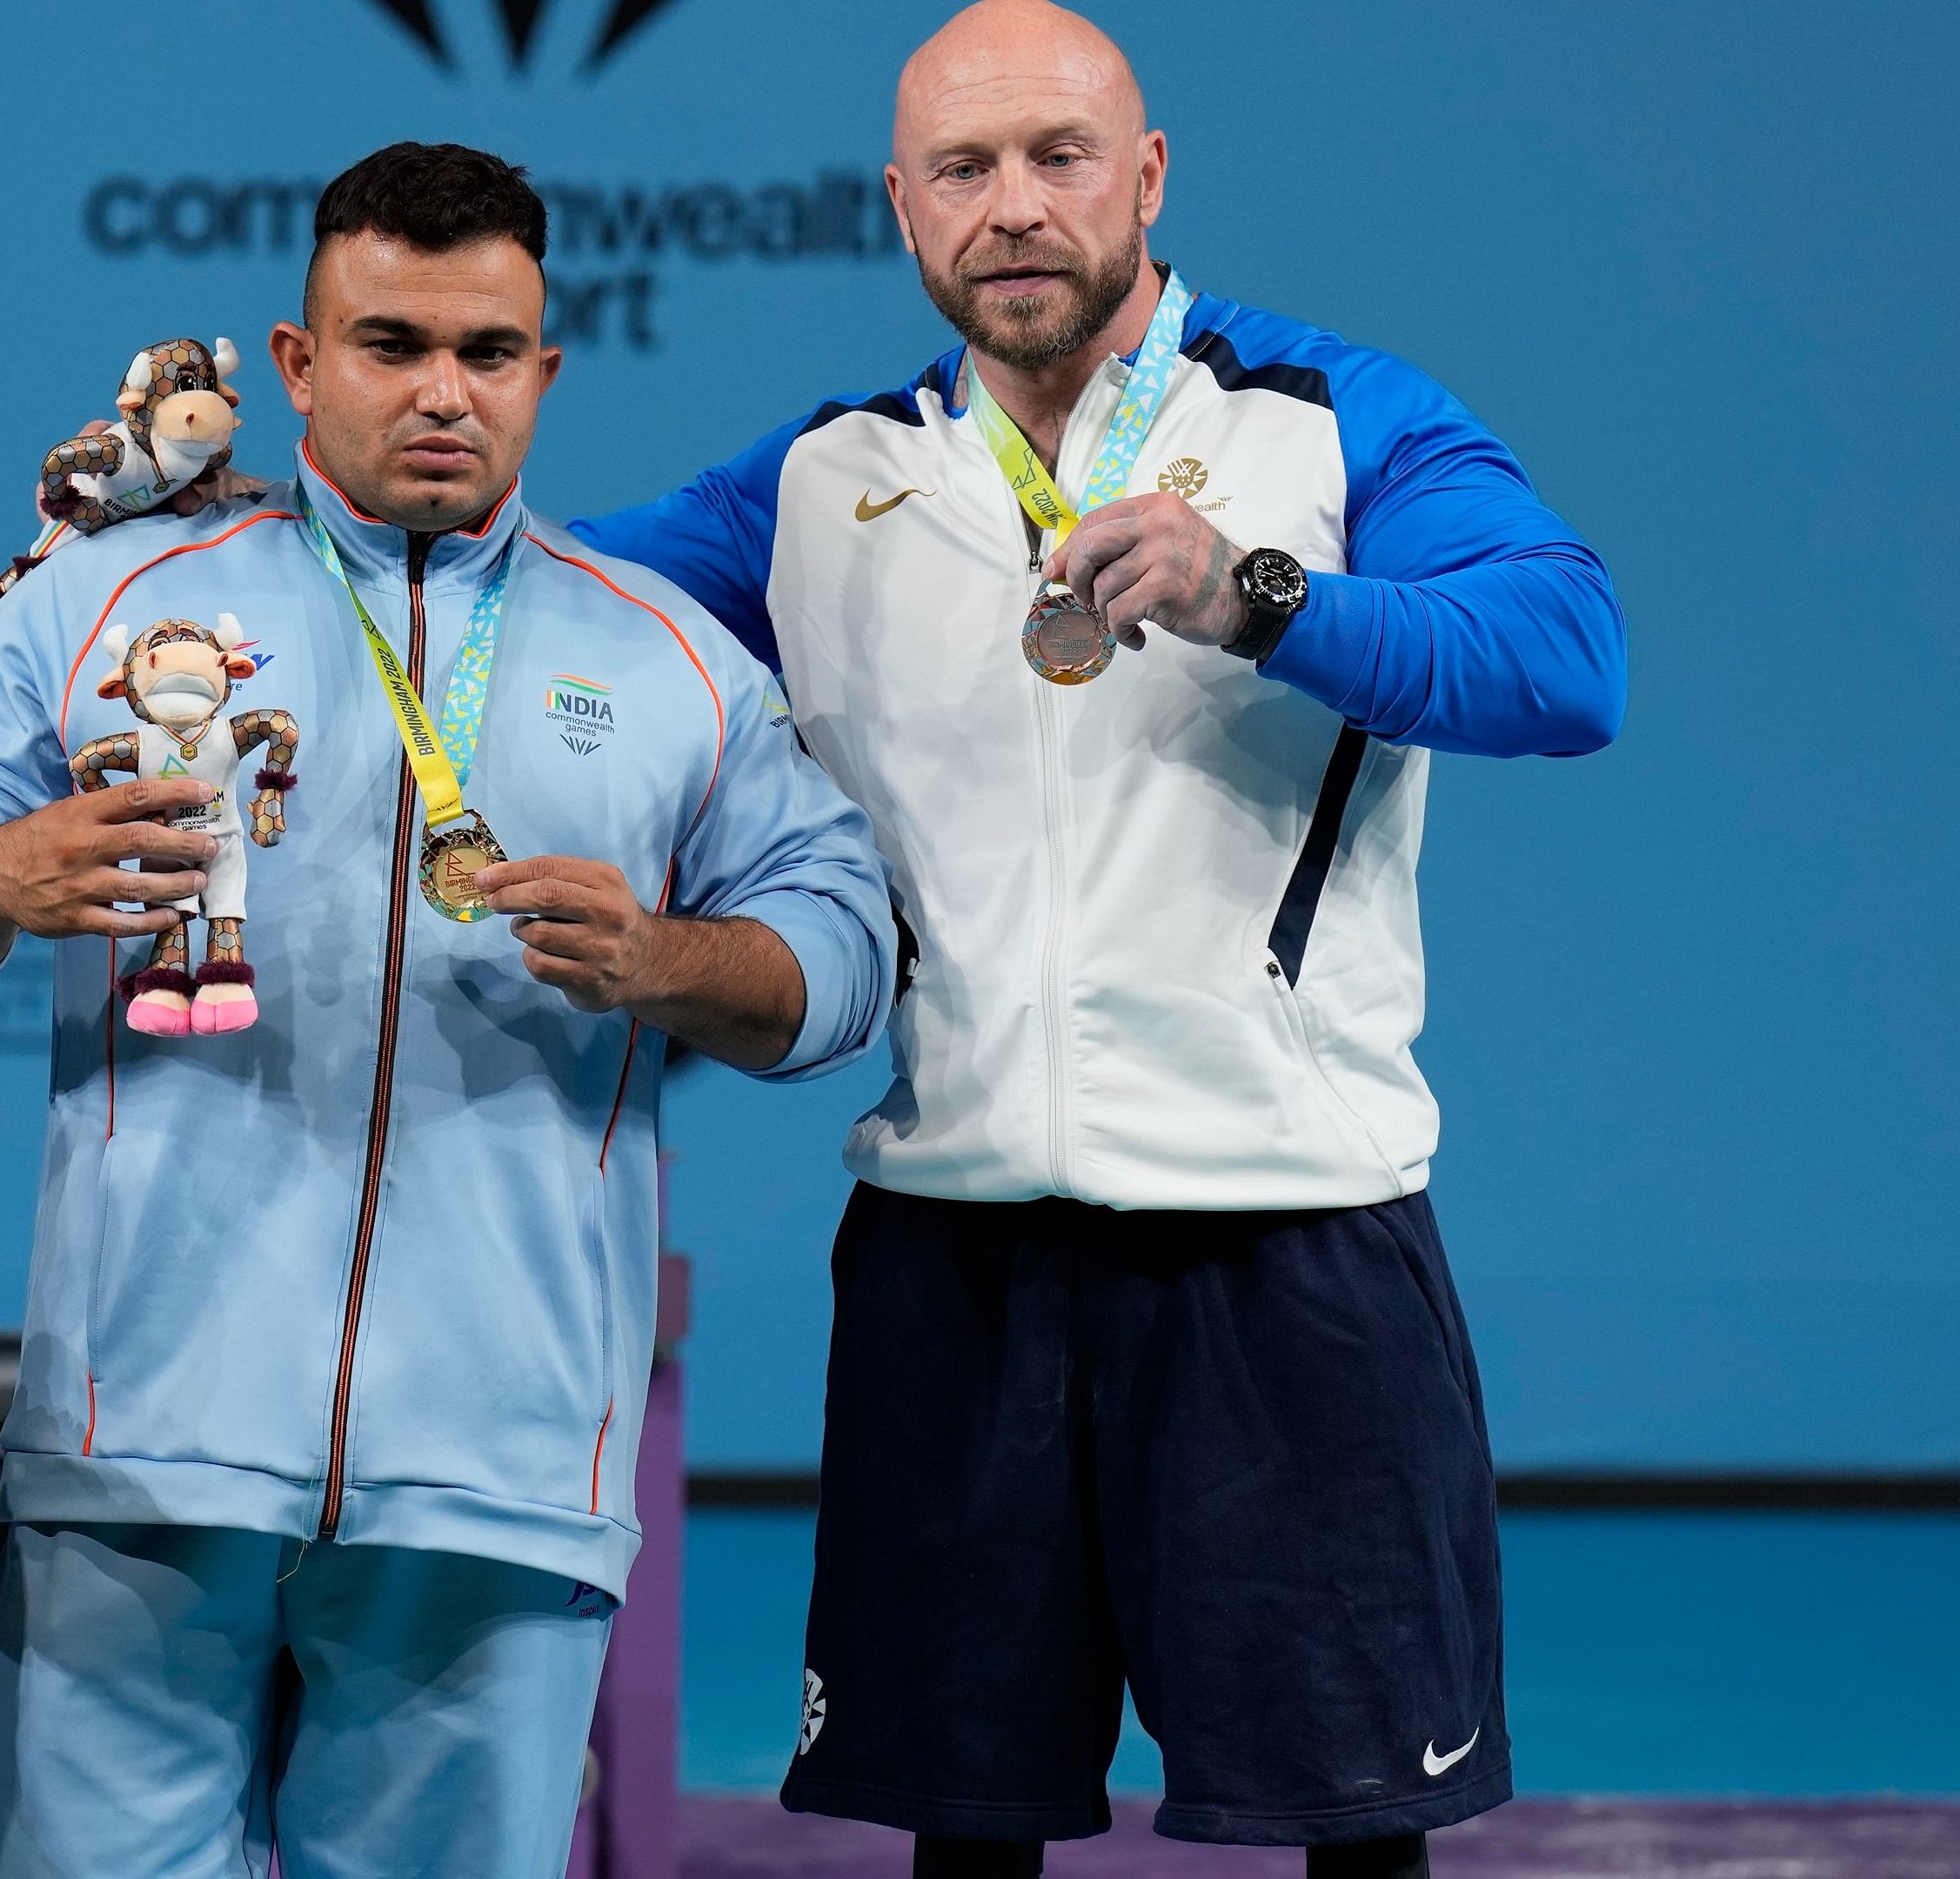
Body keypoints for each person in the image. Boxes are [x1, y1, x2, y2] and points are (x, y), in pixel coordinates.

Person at [567, 5, 1629, 1876]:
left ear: (1147, 177)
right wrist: (183, 573)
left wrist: (1262, 595)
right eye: (965, 171)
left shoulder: (1324, 417)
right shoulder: (828, 485)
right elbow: (537, 609)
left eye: (1061, 156)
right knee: (964, 1839)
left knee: (1356, 1837)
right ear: (901, 207)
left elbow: (1566, 657)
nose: (1017, 207)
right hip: (954, 1264)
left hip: (1291, 1239)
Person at [0, 143, 896, 1876]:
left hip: (494, 1470)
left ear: (545, 371)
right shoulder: (111, 602)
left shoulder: (668, 659)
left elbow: (844, 954)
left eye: (489, 353)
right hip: (146, 1448)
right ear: (296, 361)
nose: (443, 392)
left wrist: (667, 964)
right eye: (391, 344)